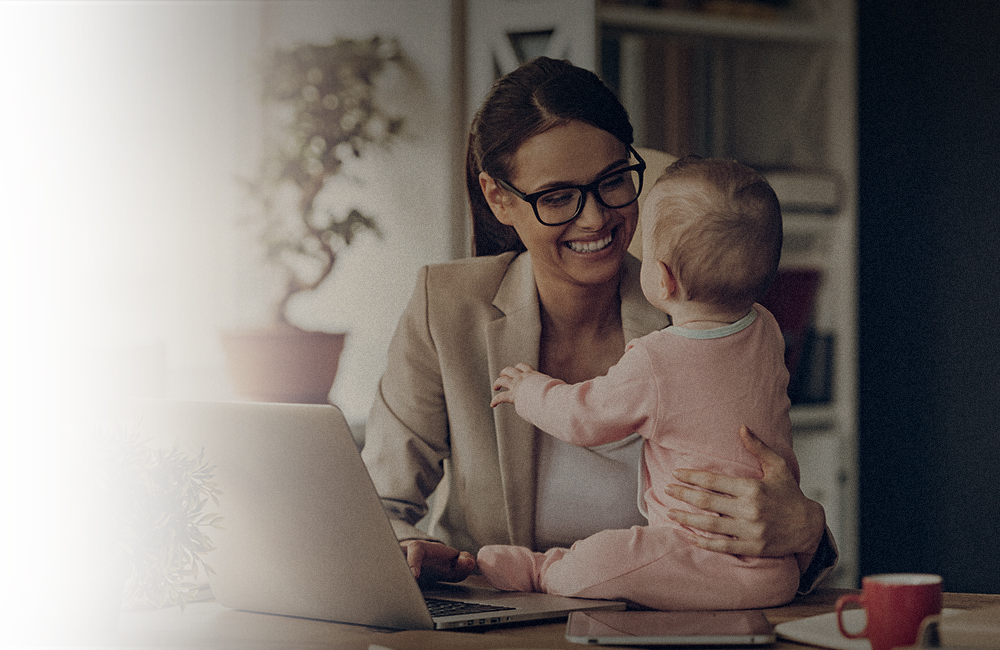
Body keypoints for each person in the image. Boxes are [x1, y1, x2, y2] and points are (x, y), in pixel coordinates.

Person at [358, 57, 836, 595]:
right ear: (499, 199)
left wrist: (806, 528)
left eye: (612, 182)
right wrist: (409, 550)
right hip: (506, 623)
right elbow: (378, 504)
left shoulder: (701, 309)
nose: (594, 218)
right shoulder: (444, 307)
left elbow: (771, 493)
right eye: (558, 197)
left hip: (672, 621)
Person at [477, 156, 800, 610]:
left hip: (697, 555)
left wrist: (527, 389)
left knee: (608, 556)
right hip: (776, 569)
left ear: (663, 278)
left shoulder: (657, 360)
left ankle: (542, 570)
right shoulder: (766, 329)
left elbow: (584, 417)